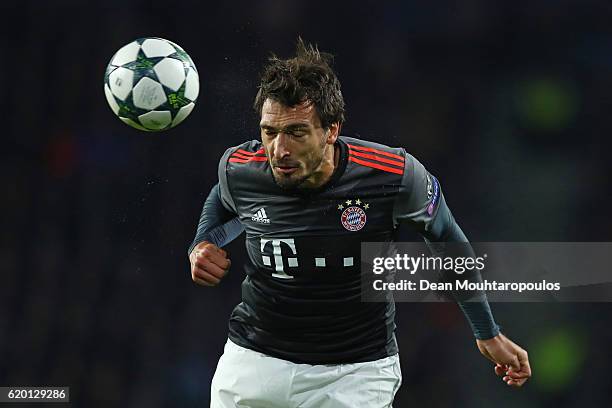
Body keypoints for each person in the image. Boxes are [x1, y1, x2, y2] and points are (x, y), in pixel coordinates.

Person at [188, 39, 531, 407]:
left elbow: (447, 237)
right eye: (270, 132)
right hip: (254, 361)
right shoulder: (241, 169)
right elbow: (222, 200)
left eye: (297, 133)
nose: (279, 150)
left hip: (354, 373)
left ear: (331, 130)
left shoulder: (394, 175)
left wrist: (486, 331)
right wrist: (202, 243)